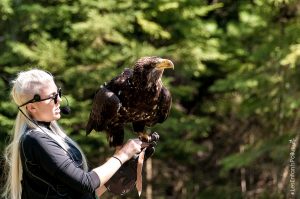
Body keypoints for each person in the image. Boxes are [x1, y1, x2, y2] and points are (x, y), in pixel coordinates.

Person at [2, 69, 154, 199]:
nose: (59, 100)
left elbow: (82, 192)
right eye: (52, 97)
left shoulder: (51, 135)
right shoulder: (35, 139)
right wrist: (123, 155)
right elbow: (86, 183)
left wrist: (120, 172)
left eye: (59, 93)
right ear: (32, 107)